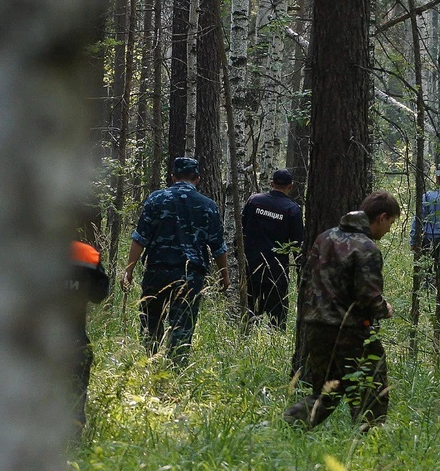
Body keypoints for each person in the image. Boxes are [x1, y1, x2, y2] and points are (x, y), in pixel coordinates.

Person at [284, 190, 400, 431]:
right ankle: (370, 443)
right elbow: (367, 296)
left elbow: (306, 280)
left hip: (316, 327)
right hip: (350, 332)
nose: (388, 229)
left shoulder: (324, 237)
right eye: (390, 223)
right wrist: (384, 309)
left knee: (327, 392)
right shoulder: (367, 248)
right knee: (373, 390)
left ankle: (286, 427)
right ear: (381, 217)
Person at [121, 157, 230, 363]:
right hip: (191, 276)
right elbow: (218, 246)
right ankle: (175, 373)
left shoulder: (156, 199)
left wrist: (129, 270)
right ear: (197, 178)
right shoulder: (208, 206)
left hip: (157, 272)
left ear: (172, 177)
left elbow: (140, 238)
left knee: (151, 323)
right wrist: (224, 276)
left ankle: (149, 365)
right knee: (182, 326)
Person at [241, 169, 304, 328]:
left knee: (248, 311)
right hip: (276, 271)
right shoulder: (292, 209)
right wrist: (300, 274)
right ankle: (273, 343)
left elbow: (241, 230)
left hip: (251, 267)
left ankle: (245, 338)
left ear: (271, 184)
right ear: (291, 186)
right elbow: (297, 245)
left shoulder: (254, 201)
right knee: (276, 317)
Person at [67, 239, 109, 435]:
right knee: (75, 403)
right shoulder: (86, 254)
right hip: (75, 343)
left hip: (30, 347)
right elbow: (99, 294)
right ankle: (74, 451)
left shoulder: (18, 253)